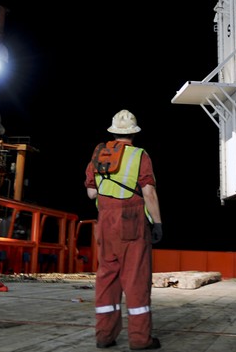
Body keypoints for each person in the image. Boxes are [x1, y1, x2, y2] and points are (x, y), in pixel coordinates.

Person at [84, 109, 163, 350]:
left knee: (107, 277)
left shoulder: (98, 155)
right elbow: (148, 192)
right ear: (133, 134)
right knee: (136, 278)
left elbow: (91, 193)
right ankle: (140, 339)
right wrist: (158, 223)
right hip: (132, 220)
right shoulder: (140, 155)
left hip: (105, 223)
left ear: (114, 132)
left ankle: (105, 336)